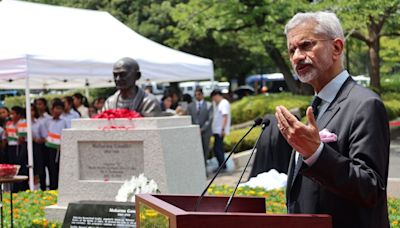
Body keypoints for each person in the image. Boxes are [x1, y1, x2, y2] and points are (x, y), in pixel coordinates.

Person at [275, 11, 389, 227]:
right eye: (292, 50)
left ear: (336, 48)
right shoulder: (315, 108)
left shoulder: (364, 104)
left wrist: (317, 153)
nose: (297, 56)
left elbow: (370, 188)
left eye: (306, 45)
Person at [44, 99, 68, 190]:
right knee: (50, 168)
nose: (58, 111)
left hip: (59, 148)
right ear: (52, 109)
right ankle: (52, 187)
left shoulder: (64, 121)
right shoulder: (48, 121)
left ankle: (59, 187)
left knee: (57, 168)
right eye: (56, 108)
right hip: (48, 147)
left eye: (60, 109)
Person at [187, 88, 213, 164]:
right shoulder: (190, 106)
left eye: (198, 94)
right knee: (196, 150)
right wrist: (194, 128)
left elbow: (210, 119)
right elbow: (189, 118)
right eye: (195, 95)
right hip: (194, 132)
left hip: (205, 133)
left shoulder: (209, 105)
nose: (197, 96)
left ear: (202, 95)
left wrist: (202, 129)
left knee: (205, 150)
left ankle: (204, 166)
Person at [210, 89, 231, 171]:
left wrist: (222, 129)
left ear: (217, 95)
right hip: (217, 130)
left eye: (213, 98)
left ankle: (222, 166)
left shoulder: (224, 103)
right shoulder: (219, 104)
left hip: (220, 130)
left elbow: (225, 116)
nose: (213, 100)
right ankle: (221, 165)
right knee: (217, 148)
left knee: (218, 148)